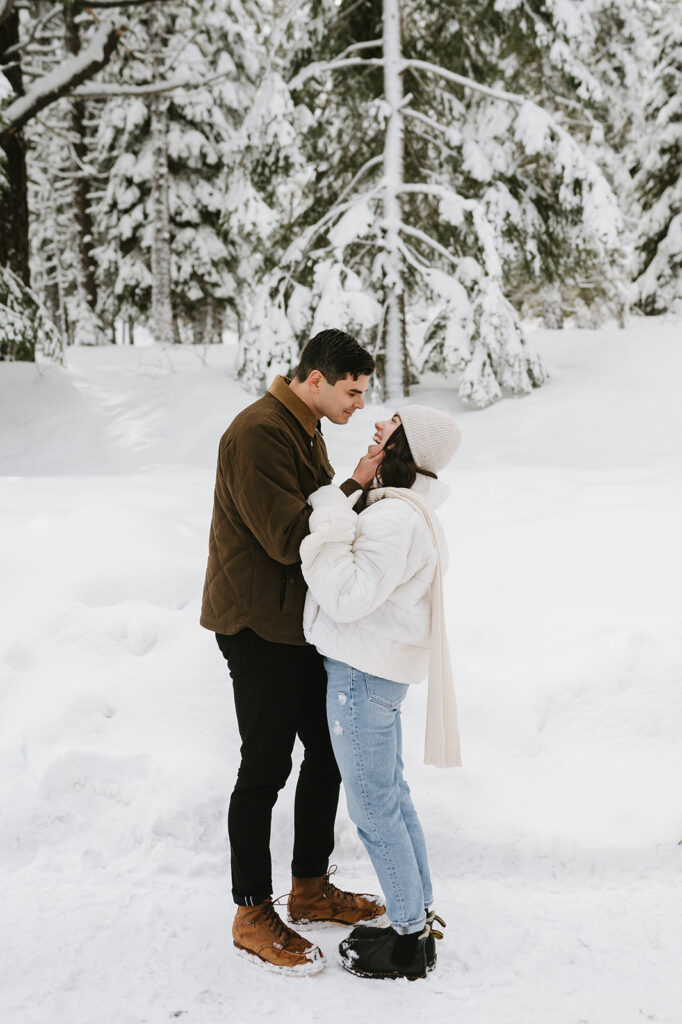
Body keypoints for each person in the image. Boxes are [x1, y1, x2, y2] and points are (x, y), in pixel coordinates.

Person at [200, 329, 387, 976]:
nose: (357, 405)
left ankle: (309, 887)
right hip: (256, 625)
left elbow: (317, 513)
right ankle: (251, 910)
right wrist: (346, 499)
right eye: (351, 392)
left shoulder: (297, 422)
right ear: (315, 380)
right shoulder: (257, 432)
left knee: (328, 753)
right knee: (265, 767)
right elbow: (288, 536)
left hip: (293, 623)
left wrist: (358, 480)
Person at [299, 404, 462, 981]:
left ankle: (406, 940)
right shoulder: (406, 509)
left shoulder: (395, 520)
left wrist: (328, 514)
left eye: (391, 423)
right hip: (374, 675)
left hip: (359, 677)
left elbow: (345, 597)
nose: (376, 424)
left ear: (407, 446)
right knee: (391, 796)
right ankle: (415, 914)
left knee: (373, 809)